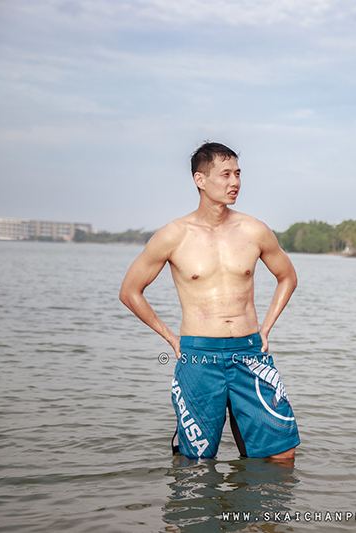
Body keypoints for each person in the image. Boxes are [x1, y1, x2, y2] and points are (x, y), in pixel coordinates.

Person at [119, 142, 299, 462]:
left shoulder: (254, 230)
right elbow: (130, 291)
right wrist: (171, 338)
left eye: (238, 175)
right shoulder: (174, 235)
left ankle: (251, 512)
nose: (235, 183)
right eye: (226, 175)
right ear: (200, 180)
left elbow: (287, 276)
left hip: (249, 352)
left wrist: (266, 329)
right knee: (197, 462)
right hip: (198, 354)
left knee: (281, 455)